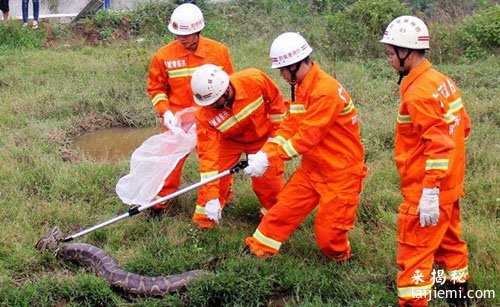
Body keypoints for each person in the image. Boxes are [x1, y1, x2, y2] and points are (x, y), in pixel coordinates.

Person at [244, 32, 367, 261]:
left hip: (341, 173)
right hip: (314, 168)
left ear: (296, 65)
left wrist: (272, 157)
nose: (281, 75)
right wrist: (265, 152)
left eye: (282, 70)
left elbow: (306, 137)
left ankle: (340, 257)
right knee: (282, 210)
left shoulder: (324, 91)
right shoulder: (303, 87)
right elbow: (290, 126)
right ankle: (258, 248)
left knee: (328, 237)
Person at [380, 16, 472, 306]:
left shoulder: (419, 92)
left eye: (391, 53)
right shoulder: (440, 81)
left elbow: (439, 143)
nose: (389, 58)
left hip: (427, 191)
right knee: (450, 245)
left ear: (406, 52)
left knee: (414, 255)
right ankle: (459, 298)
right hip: (450, 186)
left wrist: (430, 192)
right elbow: (463, 127)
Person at [146, 3, 234, 215]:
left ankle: (219, 200)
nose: (181, 38)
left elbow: (229, 85)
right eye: (177, 34)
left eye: (186, 34)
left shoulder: (218, 52)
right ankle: (160, 202)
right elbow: (156, 88)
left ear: (198, 31)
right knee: (168, 164)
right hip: (178, 122)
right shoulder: (164, 56)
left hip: (211, 120)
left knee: (215, 162)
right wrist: (165, 111)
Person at [189, 64, 287, 229]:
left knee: (269, 182)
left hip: (262, 137)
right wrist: (212, 197)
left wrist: (274, 141)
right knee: (215, 179)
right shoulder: (204, 114)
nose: (210, 107)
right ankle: (205, 220)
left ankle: (275, 216)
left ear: (225, 90)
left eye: (214, 102)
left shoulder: (254, 79)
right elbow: (208, 158)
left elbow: (278, 106)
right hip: (229, 141)